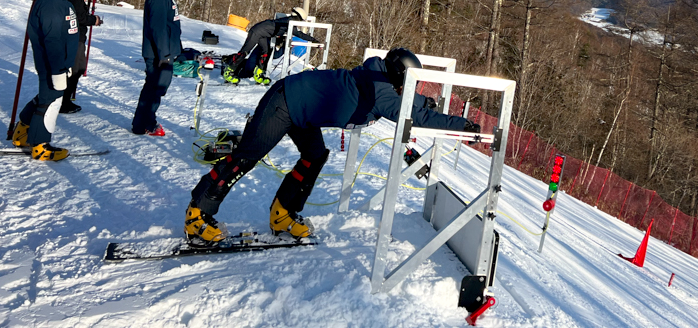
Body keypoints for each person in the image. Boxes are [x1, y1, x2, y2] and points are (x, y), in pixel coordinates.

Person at [185, 47, 482, 245]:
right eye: (409, 84)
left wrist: (425, 100)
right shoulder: (382, 90)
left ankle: (283, 213)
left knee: (315, 155)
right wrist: (460, 125)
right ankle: (197, 213)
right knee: (247, 157)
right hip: (285, 102)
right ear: (397, 78)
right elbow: (410, 112)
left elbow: (410, 100)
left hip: (304, 111)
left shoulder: (382, 80)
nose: (410, 91)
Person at [10, 0, 87, 160]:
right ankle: (40, 145)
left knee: (46, 96)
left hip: (60, 61)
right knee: (51, 102)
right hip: (53, 62)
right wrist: (58, 69)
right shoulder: (52, 3)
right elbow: (52, 39)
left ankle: (23, 131)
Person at [131, 0, 187, 136]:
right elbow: (158, 27)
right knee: (154, 89)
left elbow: (170, 25)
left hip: (166, 51)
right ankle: (145, 123)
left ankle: (145, 122)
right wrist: (164, 54)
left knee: (157, 88)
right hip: (159, 54)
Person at [222, 7, 322, 86]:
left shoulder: (288, 22)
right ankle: (229, 71)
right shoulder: (289, 22)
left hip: (264, 34)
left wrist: (313, 41)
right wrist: (313, 40)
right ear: (298, 18)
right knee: (245, 51)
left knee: (265, 52)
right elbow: (299, 34)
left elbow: (293, 31)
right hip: (256, 32)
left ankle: (258, 73)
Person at [61, 0, 104, 114]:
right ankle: (63, 101)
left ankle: (65, 99)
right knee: (75, 70)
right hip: (74, 36)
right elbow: (80, 17)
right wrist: (94, 20)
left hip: (79, 36)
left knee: (79, 69)